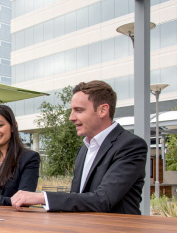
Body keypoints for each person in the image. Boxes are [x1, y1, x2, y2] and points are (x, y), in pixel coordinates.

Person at [11, 80, 148, 214]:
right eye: (72, 110)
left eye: (78, 110)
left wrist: (42, 197)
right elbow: (78, 199)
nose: (71, 117)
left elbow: (104, 199)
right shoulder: (84, 149)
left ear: (103, 110)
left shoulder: (131, 146)